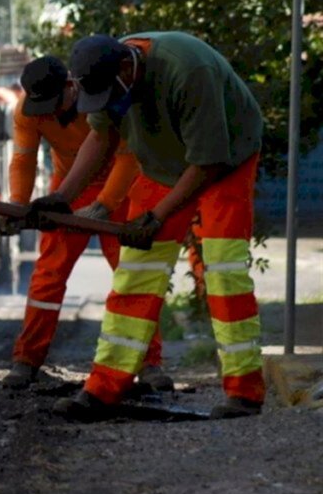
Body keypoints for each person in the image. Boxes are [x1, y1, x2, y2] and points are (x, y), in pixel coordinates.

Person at [28, 32, 264, 420]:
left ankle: (245, 392)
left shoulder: (189, 71)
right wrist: (63, 197)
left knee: (223, 271)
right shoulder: (104, 73)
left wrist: (157, 216)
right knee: (135, 273)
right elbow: (101, 136)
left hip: (225, 162)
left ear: (127, 68)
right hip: (163, 164)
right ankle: (104, 388)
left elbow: (208, 162)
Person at [0, 56, 173, 392]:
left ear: (70, 86)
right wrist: (18, 206)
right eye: (41, 106)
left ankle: (150, 363)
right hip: (68, 191)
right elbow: (23, 159)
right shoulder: (27, 111)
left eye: (54, 103)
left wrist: (105, 205)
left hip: (120, 189)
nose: (47, 113)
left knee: (133, 275)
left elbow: (128, 157)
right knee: (48, 276)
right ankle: (27, 360)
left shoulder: (102, 99)